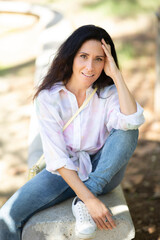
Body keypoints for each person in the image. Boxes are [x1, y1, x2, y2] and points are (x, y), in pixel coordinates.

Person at [0, 25, 145, 240]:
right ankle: (87, 195)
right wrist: (91, 200)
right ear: (71, 57)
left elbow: (133, 120)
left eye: (99, 59)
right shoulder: (49, 97)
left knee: (128, 130)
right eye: (83, 56)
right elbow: (57, 158)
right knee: (7, 218)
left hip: (103, 171)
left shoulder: (108, 93)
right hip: (63, 171)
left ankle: (87, 194)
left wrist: (116, 75)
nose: (90, 66)